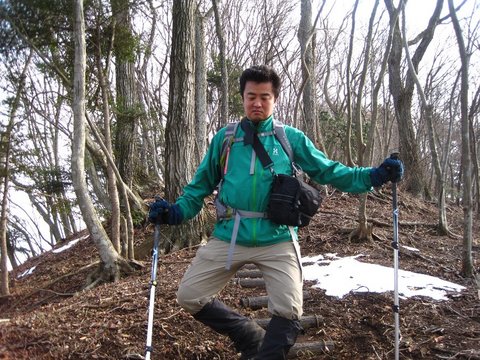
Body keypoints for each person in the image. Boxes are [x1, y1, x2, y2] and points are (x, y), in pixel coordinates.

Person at [148, 65, 403, 360]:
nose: (257, 103)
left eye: (265, 97)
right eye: (251, 96)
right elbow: (199, 186)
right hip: (230, 234)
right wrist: (176, 212)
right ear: (242, 98)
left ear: (275, 99)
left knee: (290, 310)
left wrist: (373, 176)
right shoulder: (226, 139)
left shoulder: (290, 138)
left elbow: (328, 170)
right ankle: (247, 334)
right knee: (189, 295)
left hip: (278, 238)